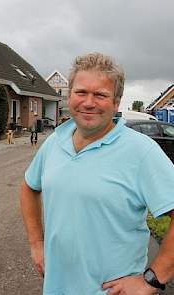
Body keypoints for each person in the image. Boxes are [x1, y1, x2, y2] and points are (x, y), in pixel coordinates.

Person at [20, 52, 174, 295]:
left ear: (116, 102)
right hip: (56, 287)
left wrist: (151, 280)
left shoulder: (141, 151)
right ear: (69, 96)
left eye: (100, 95)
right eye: (81, 92)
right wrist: (36, 244)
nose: (88, 102)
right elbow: (29, 187)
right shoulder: (55, 142)